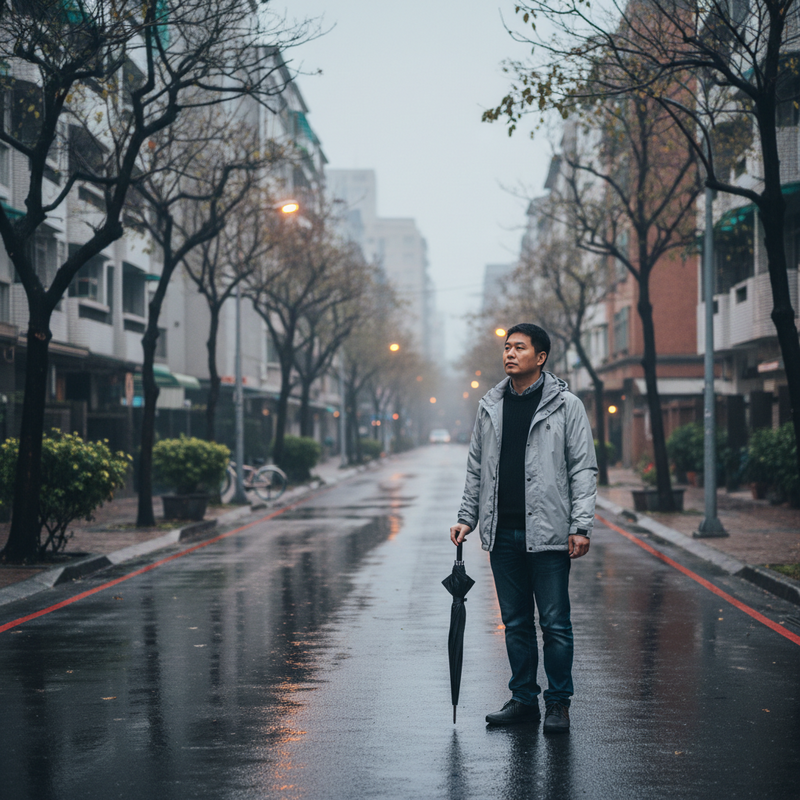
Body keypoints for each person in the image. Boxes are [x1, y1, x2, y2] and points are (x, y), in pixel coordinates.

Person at [450, 323, 597, 733]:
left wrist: (580, 525)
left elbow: (583, 468)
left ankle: (558, 704)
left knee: (554, 624)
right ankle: (522, 700)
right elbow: (476, 468)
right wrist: (467, 518)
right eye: (507, 347)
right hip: (503, 535)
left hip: (549, 534)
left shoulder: (567, 405)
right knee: (514, 623)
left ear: (541, 357)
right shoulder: (490, 405)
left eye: (519, 347)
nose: (510, 354)